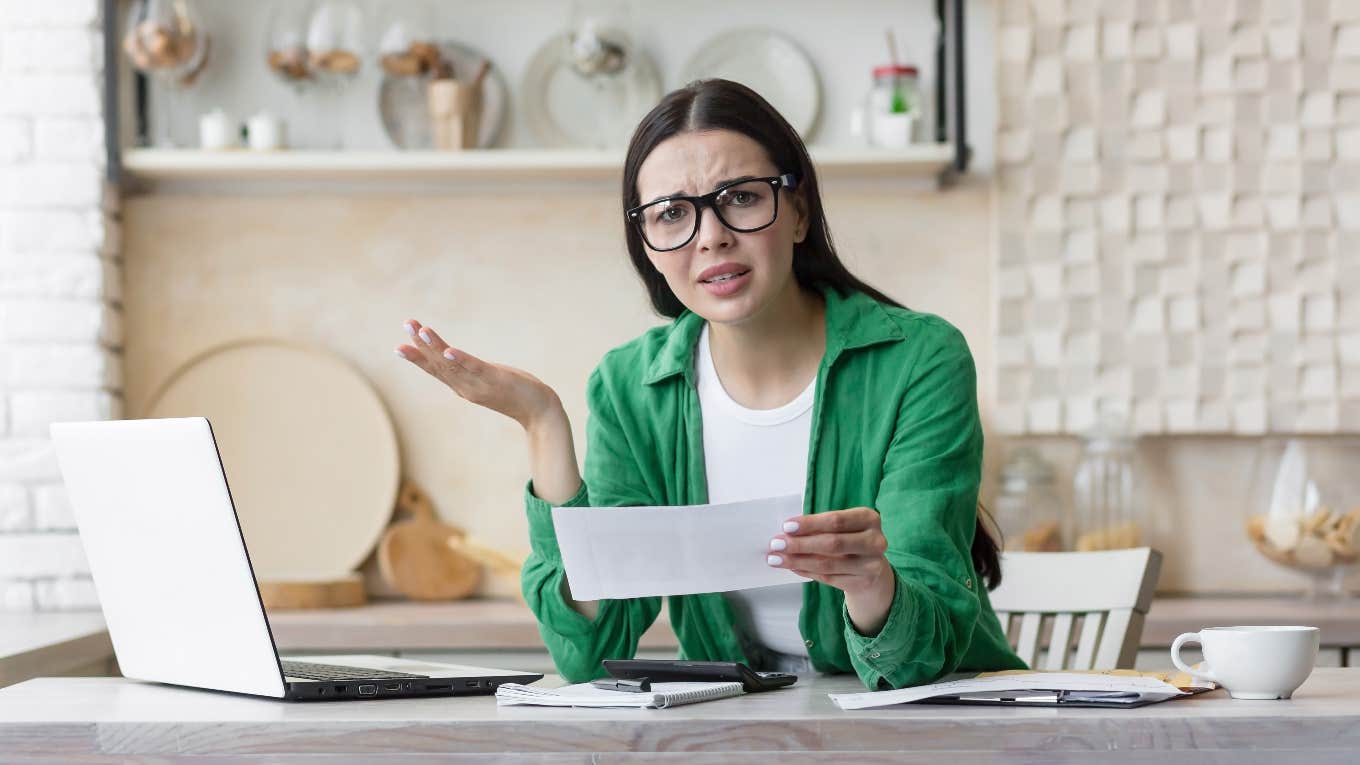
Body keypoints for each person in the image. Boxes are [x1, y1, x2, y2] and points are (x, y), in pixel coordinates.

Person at [395, 79, 1025, 690]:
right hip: (740, 735)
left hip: (941, 726)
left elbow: (918, 662)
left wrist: (871, 583)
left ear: (799, 210)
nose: (712, 235)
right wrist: (541, 421)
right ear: (647, 243)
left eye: (743, 197)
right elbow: (590, 651)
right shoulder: (628, 388)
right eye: (672, 214)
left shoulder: (919, 359)